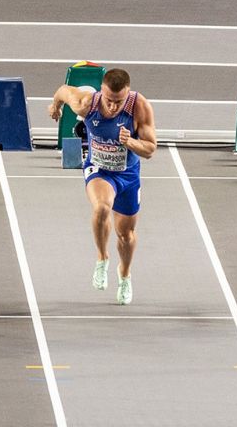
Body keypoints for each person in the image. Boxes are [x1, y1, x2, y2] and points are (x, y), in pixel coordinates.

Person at [49, 68, 157, 305]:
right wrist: (55, 106)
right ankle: (102, 259)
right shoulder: (87, 103)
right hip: (99, 169)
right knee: (101, 208)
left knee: (125, 234)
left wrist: (130, 141)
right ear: (102, 91)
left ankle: (125, 274)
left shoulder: (139, 107)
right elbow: (62, 91)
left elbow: (150, 149)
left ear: (127, 94)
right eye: (108, 99)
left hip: (128, 174)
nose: (112, 106)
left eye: (118, 101)